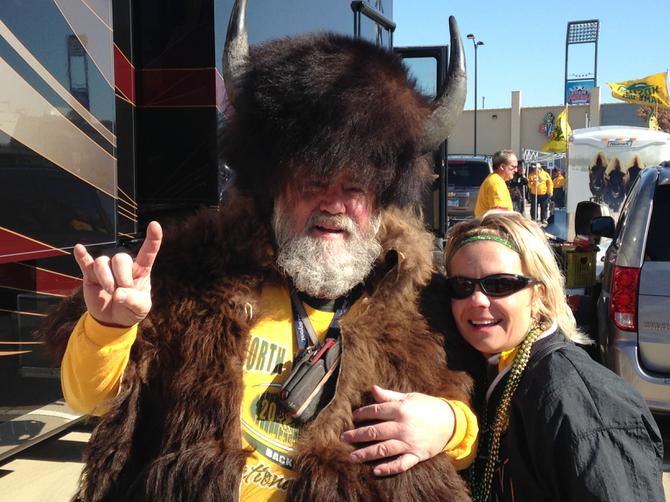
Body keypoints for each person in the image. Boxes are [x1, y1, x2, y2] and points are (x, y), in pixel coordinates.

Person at [37, 6, 478, 502]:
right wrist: (110, 327)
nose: (332, 204)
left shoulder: (420, 308)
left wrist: (450, 424)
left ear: (381, 196)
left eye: (354, 186)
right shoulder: (188, 278)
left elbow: (465, 441)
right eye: (312, 180)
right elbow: (90, 399)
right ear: (272, 183)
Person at [443, 212, 664, 502]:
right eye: (462, 286)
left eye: (499, 285)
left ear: (539, 296)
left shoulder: (583, 404)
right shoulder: (487, 373)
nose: (478, 300)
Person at [474, 149, 518, 217]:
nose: (516, 170)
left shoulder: (495, 179)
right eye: (513, 167)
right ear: (502, 167)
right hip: (492, 226)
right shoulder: (496, 183)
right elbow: (499, 216)